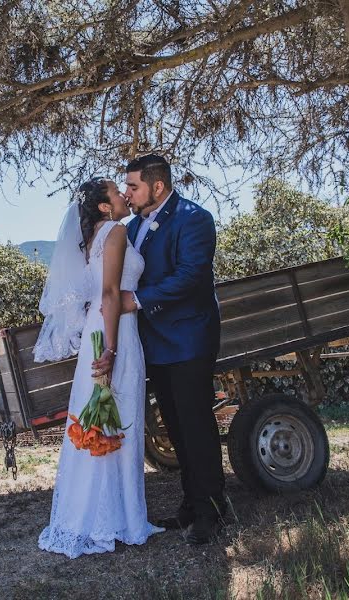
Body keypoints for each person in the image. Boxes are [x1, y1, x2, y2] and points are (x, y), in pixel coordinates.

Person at [34, 177, 163, 559]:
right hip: (113, 331)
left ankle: (101, 517)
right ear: (105, 206)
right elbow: (109, 293)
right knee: (116, 420)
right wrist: (110, 349)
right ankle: (116, 521)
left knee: (104, 422)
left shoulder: (94, 238)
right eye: (115, 191)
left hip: (102, 326)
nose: (124, 194)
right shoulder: (117, 232)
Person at [105, 153, 227, 545]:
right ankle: (190, 505)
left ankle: (212, 510)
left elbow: (190, 277)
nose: (127, 193)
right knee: (175, 428)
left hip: (189, 340)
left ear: (158, 186)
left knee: (197, 427)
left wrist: (135, 301)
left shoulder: (195, 218)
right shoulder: (134, 225)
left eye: (134, 186)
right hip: (154, 345)